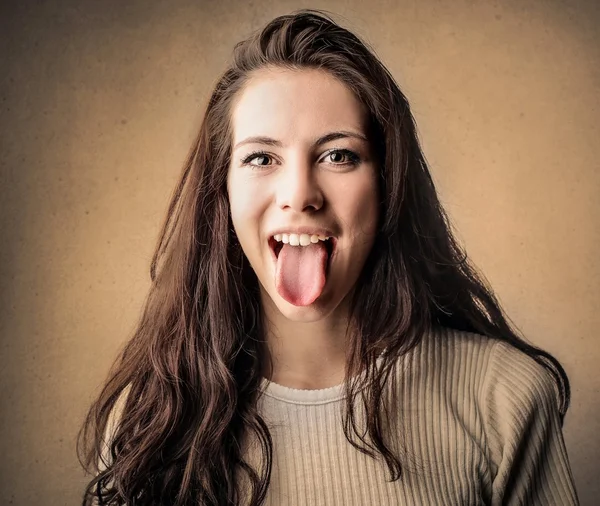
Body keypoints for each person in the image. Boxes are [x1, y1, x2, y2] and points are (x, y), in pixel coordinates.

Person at [77, 9, 579, 506]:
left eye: (338, 155)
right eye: (261, 158)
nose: (300, 194)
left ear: (387, 184)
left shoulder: (504, 399)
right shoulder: (146, 421)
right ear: (221, 191)